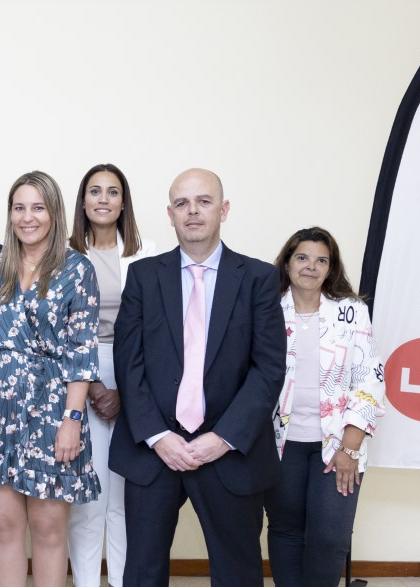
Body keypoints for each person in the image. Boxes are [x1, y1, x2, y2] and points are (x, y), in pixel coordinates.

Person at [109, 168, 285, 586]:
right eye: (182, 203)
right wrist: (157, 436)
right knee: (143, 570)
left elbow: (269, 368)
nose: (193, 212)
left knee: (238, 571)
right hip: (155, 450)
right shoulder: (143, 276)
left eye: (204, 201)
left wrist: (222, 438)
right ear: (169, 214)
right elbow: (127, 363)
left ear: (223, 210)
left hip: (230, 449)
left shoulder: (259, 279)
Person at [0, 170, 101, 587]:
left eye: (38, 208)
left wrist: (72, 420)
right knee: (1, 527)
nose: (27, 217)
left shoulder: (77, 269)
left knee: (49, 530)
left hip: (53, 409)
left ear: (53, 213)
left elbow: (81, 354)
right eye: (19, 208)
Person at [266, 227, 385, 587]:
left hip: (337, 447)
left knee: (330, 537)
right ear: (287, 263)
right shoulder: (267, 309)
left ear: (330, 269)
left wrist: (350, 446)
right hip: (277, 445)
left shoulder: (351, 312)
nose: (311, 267)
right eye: (302, 257)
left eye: (322, 260)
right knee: (286, 529)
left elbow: (369, 379)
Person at [65, 163, 154, 587]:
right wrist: (96, 386)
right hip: (80, 373)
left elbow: (158, 328)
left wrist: (124, 387)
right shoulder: (62, 256)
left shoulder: (148, 252)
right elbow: (60, 329)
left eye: (113, 192)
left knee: (123, 495)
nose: (103, 199)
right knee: (88, 493)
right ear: (83, 201)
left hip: (136, 370)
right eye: (95, 191)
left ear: (123, 202)